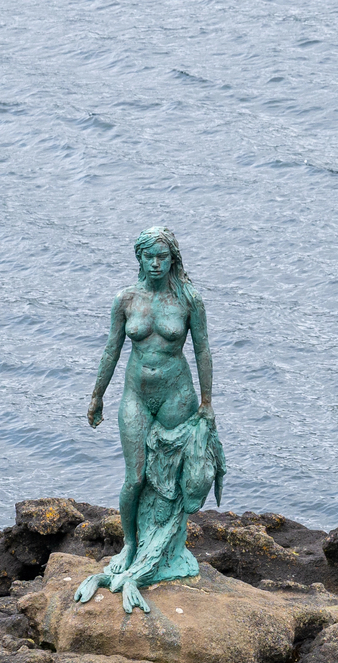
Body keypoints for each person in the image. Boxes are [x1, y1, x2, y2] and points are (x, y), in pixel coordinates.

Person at [78, 226, 225, 614]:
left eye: (163, 256)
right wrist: (97, 395)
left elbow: (203, 350)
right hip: (136, 396)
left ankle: (167, 551)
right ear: (139, 258)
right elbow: (111, 350)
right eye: (150, 256)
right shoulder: (126, 300)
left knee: (174, 481)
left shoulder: (189, 300)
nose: (156, 263)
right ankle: (131, 543)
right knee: (136, 476)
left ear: (172, 258)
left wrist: (207, 403)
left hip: (178, 395)